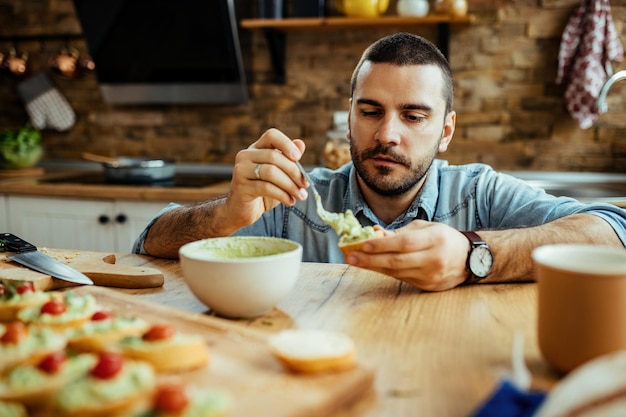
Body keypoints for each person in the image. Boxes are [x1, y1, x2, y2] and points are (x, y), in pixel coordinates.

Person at [133, 32, 626, 291]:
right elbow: (148, 240)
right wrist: (222, 216)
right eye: (370, 111)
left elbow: (616, 232)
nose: (386, 134)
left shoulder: (481, 194)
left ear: (446, 131)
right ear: (348, 119)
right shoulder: (292, 199)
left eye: (413, 116)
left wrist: (474, 255)